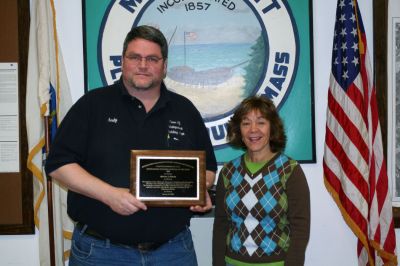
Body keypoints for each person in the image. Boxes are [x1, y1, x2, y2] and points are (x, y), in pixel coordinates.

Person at [45, 25, 217, 266]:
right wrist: (110, 195)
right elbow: (58, 164)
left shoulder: (185, 110)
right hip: (100, 252)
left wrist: (199, 190)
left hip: (173, 251)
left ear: (164, 66)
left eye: (152, 59)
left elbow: (208, 168)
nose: (143, 65)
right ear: (123, 61)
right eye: (135, 57)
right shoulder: (92, 105)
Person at [212, 96, 310, 266]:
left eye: (261, 122)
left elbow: (300, 227)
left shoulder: (289, 170)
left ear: (272, 128)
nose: (253, 130)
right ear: (239, 130)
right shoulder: (228, 171)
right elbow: (221, 224)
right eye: (246, 123)